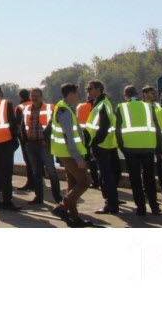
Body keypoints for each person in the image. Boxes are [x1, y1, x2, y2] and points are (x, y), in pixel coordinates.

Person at [115, 85, 162, 216]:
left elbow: (117, 130)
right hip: (148, 147)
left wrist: (122, 148)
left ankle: (141, 208)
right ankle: (154, 206)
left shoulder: (121, 107)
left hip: (130, 149)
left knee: (135, 179)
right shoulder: (149, 107)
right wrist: (160, 148)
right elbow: (157, 128)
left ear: (125, 95)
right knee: (149, 178)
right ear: (137, 94)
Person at [50, 83, 92, 226]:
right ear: (71, 94)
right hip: (69, 153)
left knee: (73, 183)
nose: (78, 96)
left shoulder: (62, 107)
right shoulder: (65, 111)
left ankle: (74, 217)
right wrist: (78, 158)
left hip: (64, 152)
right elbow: (69, 137)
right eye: (77, 93)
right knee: (85, 181)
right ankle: (62, 207)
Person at [83, 80, 121, 215]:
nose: (88, 91)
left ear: (98, 89)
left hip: (102, 145)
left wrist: (95, 143)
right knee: (111, 175)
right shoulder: (103, 102)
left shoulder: (102, 104)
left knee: (106, 176)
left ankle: (110, 204)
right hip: (109, 144)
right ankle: (112, 201)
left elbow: (103, 127)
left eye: (90, 88)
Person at [19, 88, 61, 205]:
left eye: (36, 96)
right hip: (31, 144)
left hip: (44, 145)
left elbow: (54, 125)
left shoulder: (49, 108)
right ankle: (39, 197)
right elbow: (23, 126)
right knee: (36, 172)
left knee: (51, 171)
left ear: (41, 96)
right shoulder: (26, 109)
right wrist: (25, 141)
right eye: (32, 96)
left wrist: (47, 140)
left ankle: (57, 198)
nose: (34, 98)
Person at [76, 96, 100, 188]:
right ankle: (96, 182)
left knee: (84, 160)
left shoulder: (80, 106)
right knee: (93, 161)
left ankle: (85, 180)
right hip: (93, 136)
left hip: (82, 137)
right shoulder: (96, 108)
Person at [14, 89, 35, 191]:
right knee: (36, 160)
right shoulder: (35, 104)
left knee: (28, 160)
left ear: (20, 97)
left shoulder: (20, 107)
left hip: (25, 137)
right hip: (36, 136)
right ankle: (37, 180)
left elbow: (18, 124)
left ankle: (31, 182)